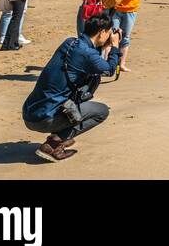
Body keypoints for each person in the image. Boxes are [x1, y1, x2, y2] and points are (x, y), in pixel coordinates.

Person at [21, 13, 121, 162]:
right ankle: (54, 144)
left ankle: (59, 136)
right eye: (108, 32)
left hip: (30, 112)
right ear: (102, 32)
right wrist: (115, 47)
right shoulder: (87, 54)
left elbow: (90, 60)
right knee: (101, 111)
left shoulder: (69, 43)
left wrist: (103, 45)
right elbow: (110, 69)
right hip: (44, 119)